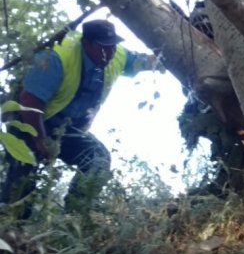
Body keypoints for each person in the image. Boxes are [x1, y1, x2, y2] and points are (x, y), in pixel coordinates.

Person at [1, 19, 160, 216]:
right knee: (21, 182)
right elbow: (29, 101)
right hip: (28, 120)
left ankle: (75, 216)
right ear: (87, 44)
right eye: (103, 48)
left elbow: (144, 62)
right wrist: (41, 140)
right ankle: (11, 230)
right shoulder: (56, 58)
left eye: (112, 46)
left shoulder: (117, 55)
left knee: (97, 157)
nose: (109, 53)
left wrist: (167, 56)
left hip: (66, 126)